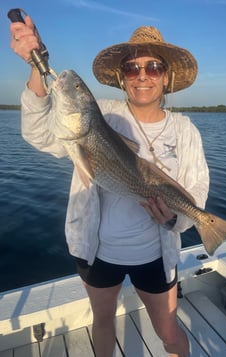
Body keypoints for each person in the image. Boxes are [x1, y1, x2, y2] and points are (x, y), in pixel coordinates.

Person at [10, 17, 209, 357]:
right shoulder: (101, 114)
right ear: (121, 77)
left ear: (167, 76)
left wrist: (175, 221)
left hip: (156, 256)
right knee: (102, 323)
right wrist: (35, 63)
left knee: (169, 332)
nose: (142, 75)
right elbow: (40, 134)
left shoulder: (185, 130)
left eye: (153, 67)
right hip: (98, 253)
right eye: (132, 68)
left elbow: (197, 189)